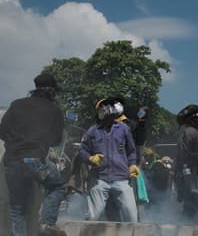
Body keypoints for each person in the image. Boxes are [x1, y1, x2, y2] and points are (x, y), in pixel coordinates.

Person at [0, 73, 67, 236]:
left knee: (17, 209)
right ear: (52, 91)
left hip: (12, 162)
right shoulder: (55, 110)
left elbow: (2, 132)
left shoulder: (16, 105)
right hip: (34, 160)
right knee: (57, 186)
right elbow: (56, 140)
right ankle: (47, 223)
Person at [79, 99, 139, 222]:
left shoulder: (123, 129)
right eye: (103, 107)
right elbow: (82, 151)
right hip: (99, 179)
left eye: (109, 106)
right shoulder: (92, 131)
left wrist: (132, 165)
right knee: (93, 216)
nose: (107, 109)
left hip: (121, 178)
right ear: (99, 112)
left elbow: (132, 151)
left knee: (132, 216)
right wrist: (90, 158)